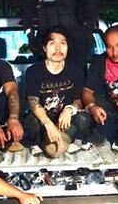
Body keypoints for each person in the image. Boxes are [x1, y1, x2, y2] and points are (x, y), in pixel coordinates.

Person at [23, 26, 92, 157]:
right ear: (44, 48)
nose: (58, 48)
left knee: (83, 118)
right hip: (43, 122)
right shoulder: (33, 71)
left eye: (63, 43)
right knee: (30, 121)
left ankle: (73, 140)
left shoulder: (76, 70)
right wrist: (48, 124)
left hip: (64, 122)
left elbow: (78, 101)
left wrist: (69, 109)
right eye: (52, 43)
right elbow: (33, 103)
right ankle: (36, 143)